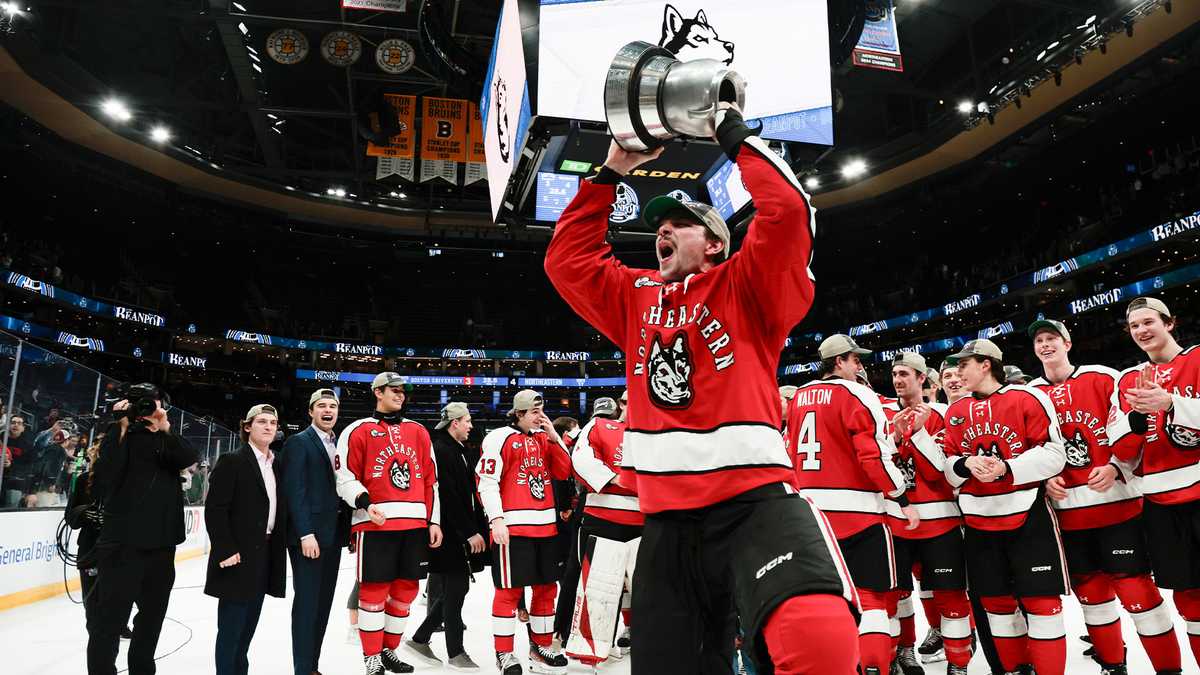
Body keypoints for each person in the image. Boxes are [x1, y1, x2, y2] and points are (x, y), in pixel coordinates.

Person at [545, 102, 860, 675]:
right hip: (665, 522)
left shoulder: (748, 283)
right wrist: (612, 167)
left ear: (715, 242)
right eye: (658, 229)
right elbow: (566, 260)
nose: (661, 232)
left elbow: (788, 210)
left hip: (755, 504)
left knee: (818, 637)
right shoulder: (633, 296)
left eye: (679, 225)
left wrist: (731, 132)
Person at [1029, 318, 1181, 674]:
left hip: (1118, 505)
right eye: (1039, 341)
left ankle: (1169, 669)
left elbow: (1135, 425)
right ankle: (1114, 665)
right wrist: (1043, 482)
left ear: (1067, 343)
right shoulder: (1030, 392)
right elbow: (1030, 448)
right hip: (1067, 513)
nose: (1046, 345)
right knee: (1092, 596)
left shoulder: (1103, 376)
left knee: (1136, 592)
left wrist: (1116, 466)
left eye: (1052, 338)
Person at [788, 334, 914, 675]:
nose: (860, 367)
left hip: (811, 515)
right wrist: (900, 495)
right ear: (839, 361)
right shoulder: (858, 393)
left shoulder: (798, 396)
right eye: (855, 360)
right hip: (859, 515)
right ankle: (873, 668)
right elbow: (873, 457)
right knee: (871, 598)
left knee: (826, 601)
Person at [941, 339, 1068, 675]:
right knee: (996, 607)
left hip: (1027, 516)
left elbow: (1056, 455)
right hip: (979, 524)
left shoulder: (1028, 397)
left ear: (986, 365)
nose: (958, 372)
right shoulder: (954, 411)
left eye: (964, 364)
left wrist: (1007, 468)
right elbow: (948, 467)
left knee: (1043, 605)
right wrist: (965, 464)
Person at [1107, 296, 1200, 670]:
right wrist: (1132, 423)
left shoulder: (1197, 358)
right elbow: (1121, 447)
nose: (1142, 331)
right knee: (1189, 596)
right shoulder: (1127, 380)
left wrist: (1171, 403)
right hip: (1160, 503)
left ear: (1170, 323)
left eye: (1149, 322)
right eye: (1134, 327)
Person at [336, 371, 443, 675]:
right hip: (375, 527)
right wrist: (365, 504)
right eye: (393, 390)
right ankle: (371, 657)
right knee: (373, 591)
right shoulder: (357, 431)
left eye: (403, 391)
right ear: (377, 393)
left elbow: (430, 481)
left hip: (414, 528)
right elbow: (344, 477)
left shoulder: (419, 431)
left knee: (407, 591)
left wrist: (433, 521)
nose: (400, 395)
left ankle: (389, 650)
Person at [86, 384, 198, 675]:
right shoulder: (118, 436)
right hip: (122, 546)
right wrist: (119, 424)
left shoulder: (165, 439)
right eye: (141, 403)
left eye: (153, 403)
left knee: (151, 622)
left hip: (161, 548)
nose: (148, 408)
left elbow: (188, 457)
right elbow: (107, 475)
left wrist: (165, 427)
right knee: (108, 623)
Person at [881, 352, 972, 675]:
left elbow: (940, 472)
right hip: (896, 524)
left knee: (951, 597)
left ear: (923, 379)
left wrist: (917, 434)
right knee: (897, 596)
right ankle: (902, 654)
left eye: (905, 373)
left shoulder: (944, 414)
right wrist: (892, 439)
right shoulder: (881, 415)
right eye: (894, 373)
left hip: (941, 523)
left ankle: (958, 664)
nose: (898, 380)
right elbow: (875, 468)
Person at [477, 389, 574, 675]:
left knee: (546, 589)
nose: (540, 417)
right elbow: (487, 482)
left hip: (546, 528)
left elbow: (563, 471)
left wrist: (555, 438)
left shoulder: (546, 438)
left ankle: (540, 647)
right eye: (534, 412)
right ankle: (504, 653)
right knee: (508, 592)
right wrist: (496, 519)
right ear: (518, 413)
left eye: (542, 411)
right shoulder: (498, 438)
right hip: (514, 528)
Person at [204, 404, 289, 675]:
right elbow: (215, 510)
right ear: (247, 427)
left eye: (273, 423)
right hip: (237, 556)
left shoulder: (276, 464)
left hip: (264, 555)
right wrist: (225, 549)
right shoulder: (232, 460)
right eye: (262, 421)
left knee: (248, 628)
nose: (268, 426)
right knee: (231, 630)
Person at [556, 396, 640, 665]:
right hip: (603, 517)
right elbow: (581, 458)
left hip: (646, 521)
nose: (630, 406)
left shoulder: (655, 432)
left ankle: (637, 638)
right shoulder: (600, 426)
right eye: (626, 402)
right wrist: (616, 478)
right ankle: (588, 646)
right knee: (596, 585)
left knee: (642, 587)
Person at [405, 402, 487, 670]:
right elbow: (449, 498)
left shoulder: (456, 449)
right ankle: (455, 652)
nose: (471, 426)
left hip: (454, 532)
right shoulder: (442, 450)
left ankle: (420, 638)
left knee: (456, 589)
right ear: (455, 423)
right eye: (467, 421)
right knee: (456, 590)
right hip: (449, 533)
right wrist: (470, 532)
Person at [282, 388, 351, 675]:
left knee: (322, 606)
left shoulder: (340, 443)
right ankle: (302, 669)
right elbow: (293, 492)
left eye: (332, 406)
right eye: (321, 405)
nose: (328, 410)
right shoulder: (299, 443)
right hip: (309, 539)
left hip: (333, 537)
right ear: (311, 411)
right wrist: (305, 533)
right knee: (308, 606)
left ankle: (312, 667)